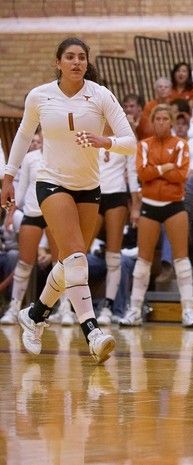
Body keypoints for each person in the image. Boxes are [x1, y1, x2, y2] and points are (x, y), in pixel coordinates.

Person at [2, 37, 136, 363]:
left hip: (89, 187)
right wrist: (8, 177)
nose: (76, 62)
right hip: (51, 183)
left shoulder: (101, 95)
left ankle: (35, 314)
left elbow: (130, 142)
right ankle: (91, 330)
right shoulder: (40, 95)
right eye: (70, 57)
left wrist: (105, 140)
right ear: (58, 62)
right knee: (77, 257)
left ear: (87, 63)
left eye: (81, 57)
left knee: (67, 262)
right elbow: (22, 136)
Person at [118, 105, 193, 329]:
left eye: (165, 119)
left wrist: (157, 170)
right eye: (158, 119)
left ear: (171, 122)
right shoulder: (143, 145)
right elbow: (143, 174)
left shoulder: (181, 145)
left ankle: (188, 311)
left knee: (181, 259)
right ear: (152, 122)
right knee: (143, 260)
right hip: (150, 206)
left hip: (174, 205)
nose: (161, 122)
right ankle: (134, 310)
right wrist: (166, 168)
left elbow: (181, 175)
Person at [0, 131, 50, 325]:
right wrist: (10, 214)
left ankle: (65, 310)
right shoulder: (30, 158)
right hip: (32, 212)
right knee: (24, 263)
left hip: (55, 216)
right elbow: (19, 195)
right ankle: (14, 308)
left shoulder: (63, 157)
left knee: (61, 265)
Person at [93, 132, 141, 326]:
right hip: (93, 195)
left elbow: (133, 172)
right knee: (79, 252)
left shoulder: (126, 139)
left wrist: (136, 206)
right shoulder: (90, 131)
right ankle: (66, 306)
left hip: (117, 196)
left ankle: (108, 306)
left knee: (113, 255)